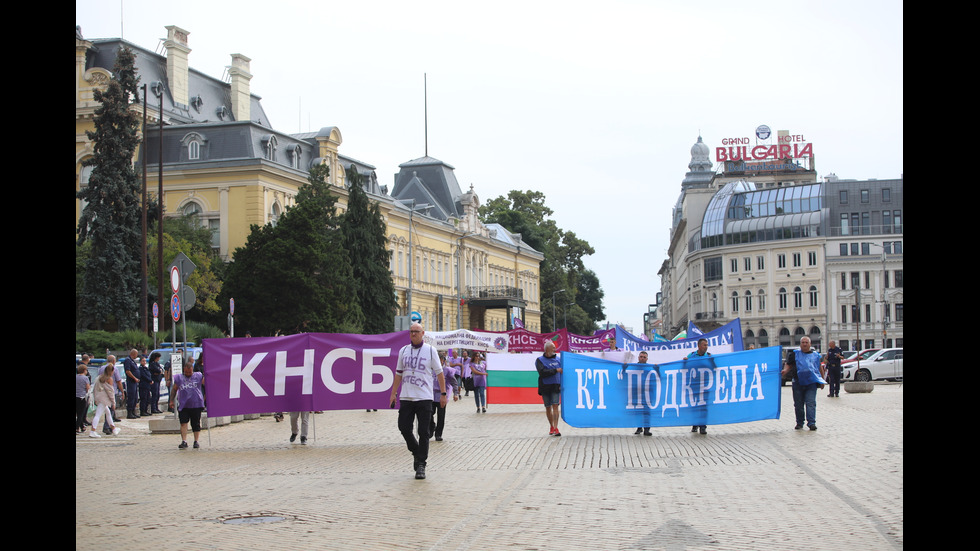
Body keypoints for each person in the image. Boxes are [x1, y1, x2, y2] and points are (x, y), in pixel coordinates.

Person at [388, 323, 447, 480]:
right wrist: (393, 393)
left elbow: (440, 373)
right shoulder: (403, 351)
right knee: (404, 427)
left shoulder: (430, 350)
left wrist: (443, 393)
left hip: (424, 397)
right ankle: (416, 451)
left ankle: (421, 464)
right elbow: (398, 373)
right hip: (407, 396)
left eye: (416, 332)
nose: (413, 334)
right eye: (411, 332)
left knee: (424, 432)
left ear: (423, 333)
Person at [782, 336, 827, 431]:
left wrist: (822, 381)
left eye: (806, 342)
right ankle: (799, 422)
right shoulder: (795, 354)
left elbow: (819, 367)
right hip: (797, 382)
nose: (805, 344)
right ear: (800, 344)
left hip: (811, 383)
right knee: (798, 404)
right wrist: (785, 371)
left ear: (810, 344)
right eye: (803, 342)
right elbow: (788, 364)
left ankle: (811, 423)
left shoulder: (815, 355)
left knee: (810, 403)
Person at [170, 361, 206, 449]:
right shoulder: (179, 378)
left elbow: (206, 384)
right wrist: (171, 401)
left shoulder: (198, 376)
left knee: (196, 423)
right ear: (184, 370)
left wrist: (205, 397)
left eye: (190, 372)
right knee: (183, 423)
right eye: (186, 372)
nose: (188, 374)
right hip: (183, 404)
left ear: (192, 370)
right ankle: (184, 441)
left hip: (196, 404)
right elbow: (174, 389)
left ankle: (196, 441)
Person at [430, 351, 459, 442]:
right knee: (429, 414)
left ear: (442, 360)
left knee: (441, 415)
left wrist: (456, 394)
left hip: (442, 396)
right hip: (431, 395)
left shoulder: (447, 370)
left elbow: (454, 383)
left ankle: (438, 434)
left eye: (439, 360)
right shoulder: (430, 370)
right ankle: (431, 427)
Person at [535, 341, 562, 437]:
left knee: (555, 406)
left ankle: (556, 427)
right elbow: (542, 372)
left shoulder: (558, 359)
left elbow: (563, 372)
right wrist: (555, 370)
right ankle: (551, 426)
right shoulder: (539, 360)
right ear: (547, 349)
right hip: (545, 386)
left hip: (556, 385)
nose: (555, 350)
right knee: (548, 407)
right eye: (553, 348)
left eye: (554, 348)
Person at [686, 338, 710, 434]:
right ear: (699, 346)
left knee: (703, 406)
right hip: (694, 385)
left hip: (705, 386)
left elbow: (714, 367)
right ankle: (695, 424)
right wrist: (685, 361)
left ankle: (703, 426)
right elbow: (685, 368)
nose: (706, 347)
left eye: (707, 345)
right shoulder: (691, 356)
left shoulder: (708, 357)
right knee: (695, 405)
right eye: (704, 345)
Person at [90, 363, 121, 437]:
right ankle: (92, 431)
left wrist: (95, 398)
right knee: (98, 415)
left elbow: (94, 389)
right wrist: (113, 403)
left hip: (99, 398)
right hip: (104, 399)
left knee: (108, 413)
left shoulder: (99, 377)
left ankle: (113, 429)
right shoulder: (109, 379)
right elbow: (110, 392)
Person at [98, 355, 125, 434]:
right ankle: (107, 426)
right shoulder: (114, 369)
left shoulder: (101, 368)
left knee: (107, 411)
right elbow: (118, 381)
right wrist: (122, 391)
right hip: (111, 391)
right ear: (113, 361)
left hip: (103, 392)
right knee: (111, 410)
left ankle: (110, 427)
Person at [633, 351, 652, 436]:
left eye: (644, 357)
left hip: (647, 393)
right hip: (637, 392)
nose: (642, 358)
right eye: (641, 356)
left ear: (647, 359)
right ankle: (639, 427)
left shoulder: (649, 368)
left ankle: (647, 429)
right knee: (638, 411)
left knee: (647, 412)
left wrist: (658, 369)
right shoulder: (633, 367)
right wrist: (624, 367)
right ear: (638, 357)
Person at [122, 349, 141, 418]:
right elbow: (128, 371)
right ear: (133, 353)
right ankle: (129, 412)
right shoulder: (128, 360)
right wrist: (134, 378)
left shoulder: (132, 361)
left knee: (135, 397)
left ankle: (133, 411)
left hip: (135, 382)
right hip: (131, 381)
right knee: (131, 397)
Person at [76, 364, 91, 434]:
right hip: (82, 397)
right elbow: (87, 388)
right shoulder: (85, 378)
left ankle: (82, 427)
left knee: (78, 412)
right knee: (81, 413)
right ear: (84, 370)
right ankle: (77, 427)